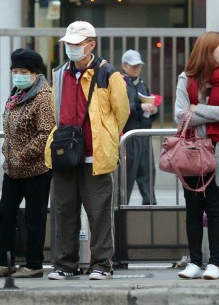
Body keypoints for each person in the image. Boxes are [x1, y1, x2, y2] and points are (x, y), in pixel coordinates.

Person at [45, 21, 129, 280]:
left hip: (97, 154)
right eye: (68, 44)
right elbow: (54, 110)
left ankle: (102, 265)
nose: (71, 48)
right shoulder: (59, 73)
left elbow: (122, 111)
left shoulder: (109, 74)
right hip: (64, 154)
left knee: (99, 213)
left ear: (91, 44)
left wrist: (108, 136)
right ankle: (65, 265)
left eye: (76, 44)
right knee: (64, 212)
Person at [174, 31, 219, 280]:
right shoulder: (186, 78)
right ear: (206, 49)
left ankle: (214, 262)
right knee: (192, 210)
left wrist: (197, 109)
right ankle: (194, 262)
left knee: (215, 209)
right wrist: (217, 110)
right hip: (191, 152)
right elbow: (180, 116)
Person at [0, 49, 55, 279]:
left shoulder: (43, 96)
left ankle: (34, 264)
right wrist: (8, 152)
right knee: (6, 214)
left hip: (36, 169)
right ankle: (6, 262)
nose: (18, 75)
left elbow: (46, 133)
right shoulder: (16, 94)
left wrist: (24, 154)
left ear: (35, 73)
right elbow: (9, 129)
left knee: (35, 219)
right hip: (12, 169)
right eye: (15, 71)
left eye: (23, 71)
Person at [120, 49, 158, 205]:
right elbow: (120, 108)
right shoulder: (120, 83)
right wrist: (138, 107)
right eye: (132, 65)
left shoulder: (142, 85)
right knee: (125, 179)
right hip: (128, 138)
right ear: (124, 65)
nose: (136, 68)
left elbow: (149, 109)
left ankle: (150, 210)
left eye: (138, 65)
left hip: (144, 137)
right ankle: (120, 211)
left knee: (148, 176)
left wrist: (154, 111)